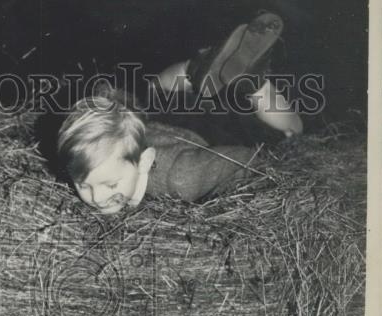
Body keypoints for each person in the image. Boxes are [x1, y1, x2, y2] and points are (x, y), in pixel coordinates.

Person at [58, 13, 303, 215]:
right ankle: (193, 70)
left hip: (208, 130)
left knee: (290, 131)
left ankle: (254, 84)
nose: (97, 197)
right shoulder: (119, 148)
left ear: (144, 162)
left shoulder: (182, 179)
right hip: (158, 119)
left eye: (110, 185)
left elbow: (250, 163)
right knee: (156, 90)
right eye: (83, 185)